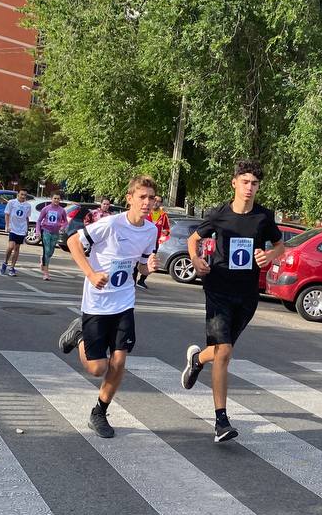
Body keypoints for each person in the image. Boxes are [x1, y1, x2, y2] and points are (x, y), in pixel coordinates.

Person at [180, 160, 286, 443]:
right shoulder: (219, 214)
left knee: (219, 352)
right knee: (224, 352)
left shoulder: (264, 217)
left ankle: (196, 359)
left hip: (247, 294)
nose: (249, 187)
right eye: (245, 182)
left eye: (254, 183)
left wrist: (269, 257)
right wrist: (196, 258)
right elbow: (193, 239)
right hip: (218, 288)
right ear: (234, 183)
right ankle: (221, 421)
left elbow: (280, 246)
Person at [57, 176, 159, 438]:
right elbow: (72, 242)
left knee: (120, 360)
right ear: (130, 199)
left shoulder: (151, 230)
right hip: (97, 302)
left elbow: (141, 265)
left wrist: (149, 268)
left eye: (151, 198)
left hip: (124, 301)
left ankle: (99, 412)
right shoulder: (111, 224)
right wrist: (91, 274)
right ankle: (79, 333)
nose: (147, 203)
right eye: (142, 197)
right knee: (97, 369)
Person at [136, 195, 173, 289]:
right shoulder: (145, 212)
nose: (156, 202)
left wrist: (163, 236)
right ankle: (132, 280)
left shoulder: (163, 215)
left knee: (150, 261)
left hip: (154, 243)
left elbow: (167, 229)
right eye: (155, 200)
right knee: (137, 260)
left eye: (159, 201)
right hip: (141, 241)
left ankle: (142, 280)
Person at [1, 189, 34, 276]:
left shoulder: (28, 206)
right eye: (21, 194)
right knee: (11, 246)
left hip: (21, 229)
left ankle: (12, 268)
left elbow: (27, 217)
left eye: (25, 195)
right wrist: (7, 226)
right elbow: (7, 214)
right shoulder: (11, 202)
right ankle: (5, 262)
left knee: (17, 248)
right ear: (18, 194)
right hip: (13, 228)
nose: (23, 196)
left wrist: (26, 229)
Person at [37, 193, 69, 281]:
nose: (56, 200)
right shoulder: (46, 209)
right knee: (46, 251)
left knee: (50, 252)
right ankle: (46, 273)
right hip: (46, 231)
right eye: (55, 198)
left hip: (55, 233)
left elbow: (66, 221)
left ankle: (42, 259)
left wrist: (62, 227)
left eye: (58, 199)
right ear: (51, 199)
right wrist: (38, 231)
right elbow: (39, 220)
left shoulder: (62, 210)